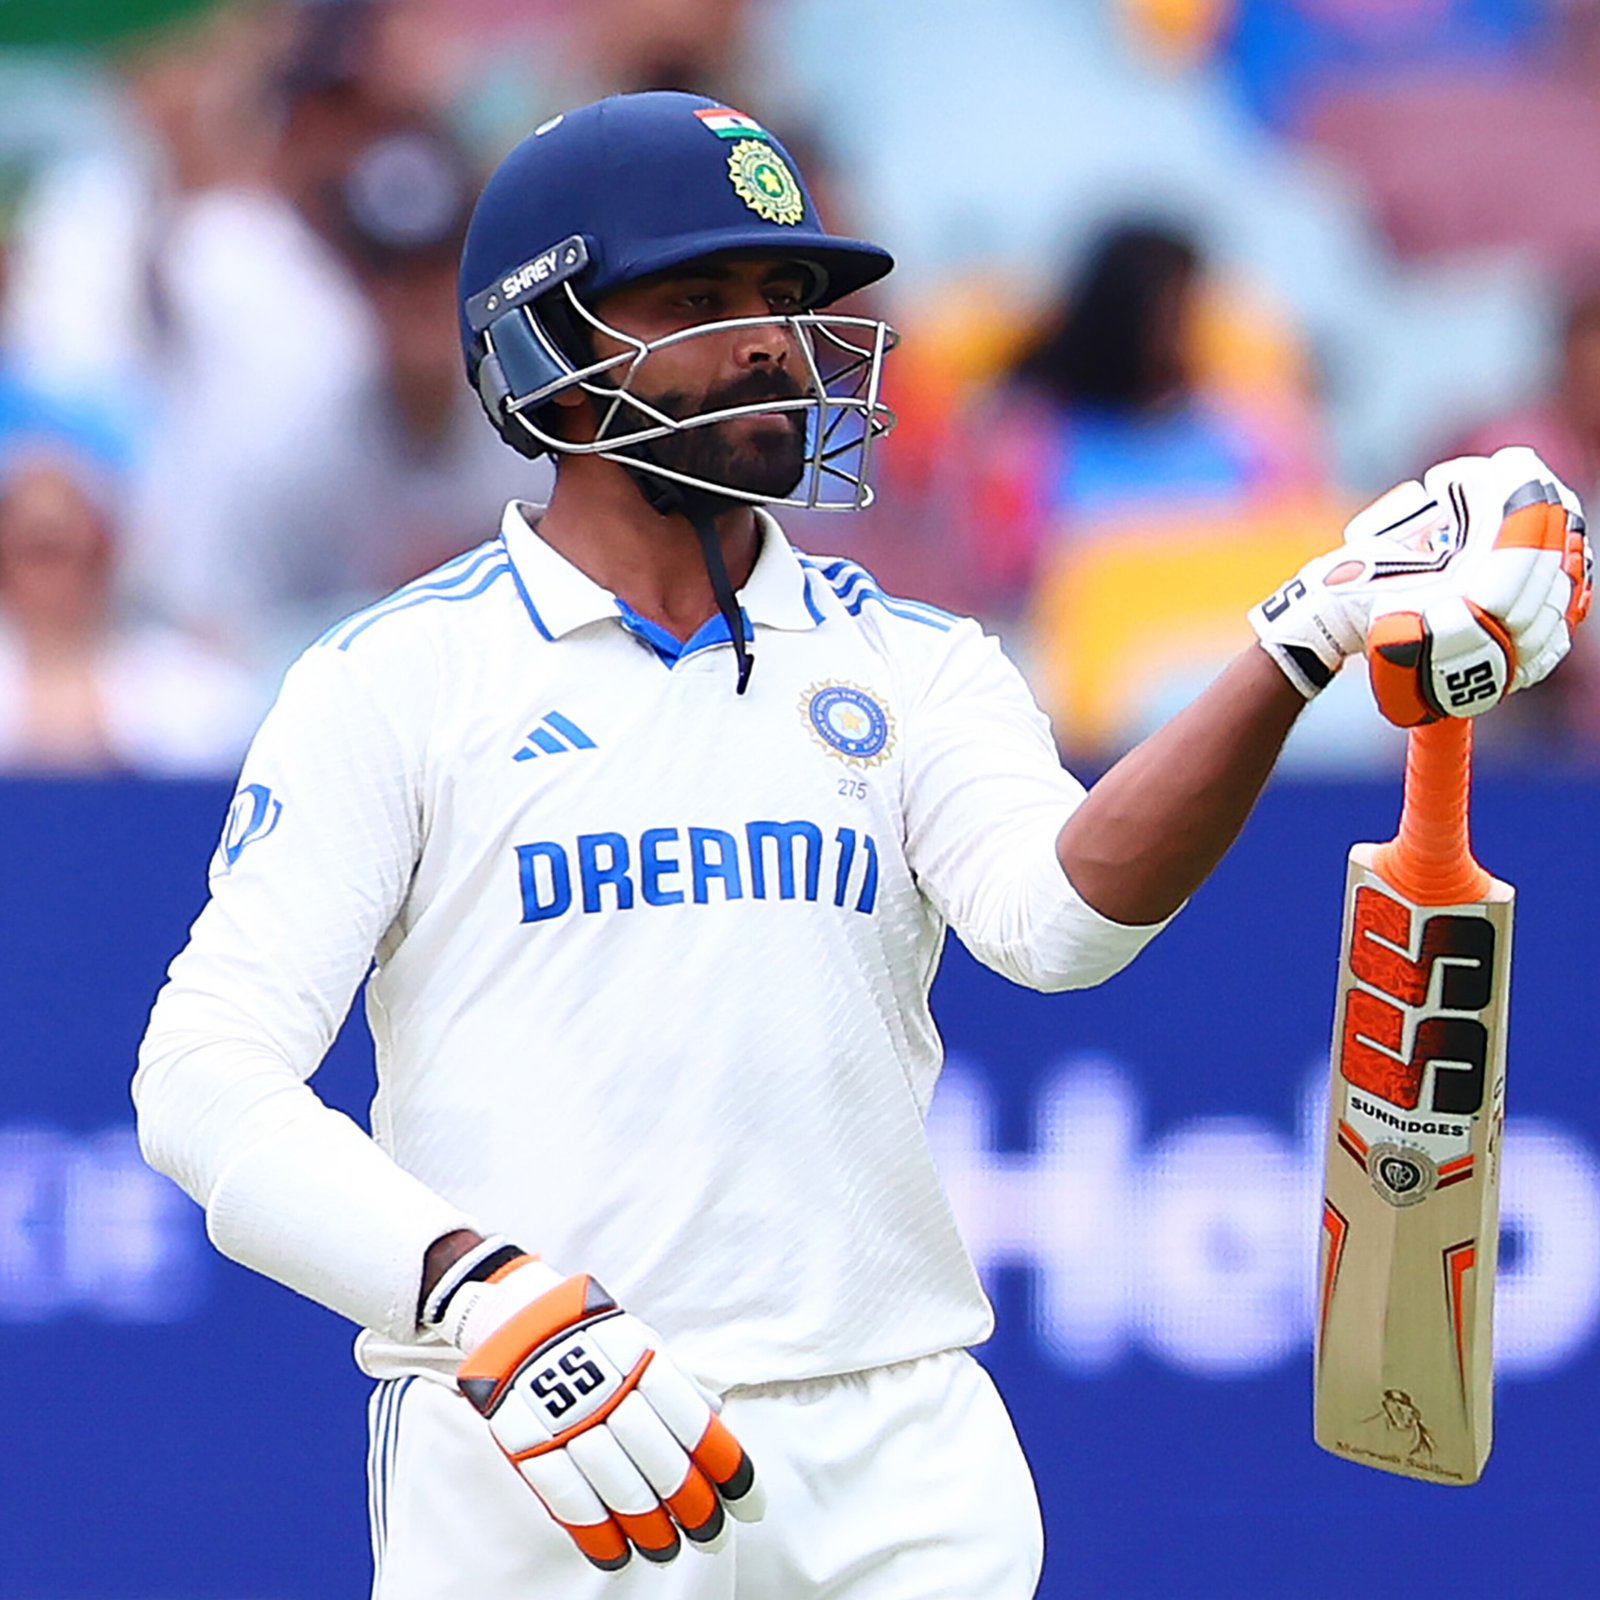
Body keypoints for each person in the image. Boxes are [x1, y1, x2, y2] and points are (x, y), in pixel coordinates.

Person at [132, 92, 1591, 1599]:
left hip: (901, 1447)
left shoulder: (916, 661)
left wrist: (1300, 639)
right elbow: (202, 1078)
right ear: (544, 347)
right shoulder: (396, 680)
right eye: (697, 299)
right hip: (549, 1436)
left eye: (784, 298)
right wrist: (477, 1298)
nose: (770, 342)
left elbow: (1060, 922)